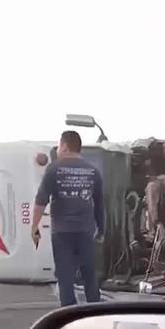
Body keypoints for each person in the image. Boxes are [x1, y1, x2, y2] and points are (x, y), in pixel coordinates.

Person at [32, 130, 104, 306]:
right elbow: (99, 203)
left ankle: (68, 313)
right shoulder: (93, 171)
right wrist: (101, 228)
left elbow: (41, 200)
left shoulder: (54, 169)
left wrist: (34, 226)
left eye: (59, 145)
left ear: (64, 146)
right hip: (86, 230)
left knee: (65, 274)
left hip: (62, 231)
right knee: (89, 272)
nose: (57, 149)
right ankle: (96, 309)